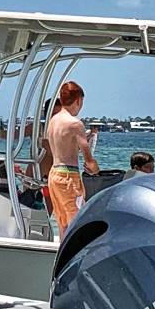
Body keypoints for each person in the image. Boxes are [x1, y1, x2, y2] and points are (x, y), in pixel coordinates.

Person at [45, 80, 98, 234]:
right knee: (76, 223)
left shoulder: (53, 121)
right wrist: (96, 171)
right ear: (78, 100)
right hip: (68, 176)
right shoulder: (75, 124)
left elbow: (65, 146)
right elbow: (89, 161)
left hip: (54, 174)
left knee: (62, 223)